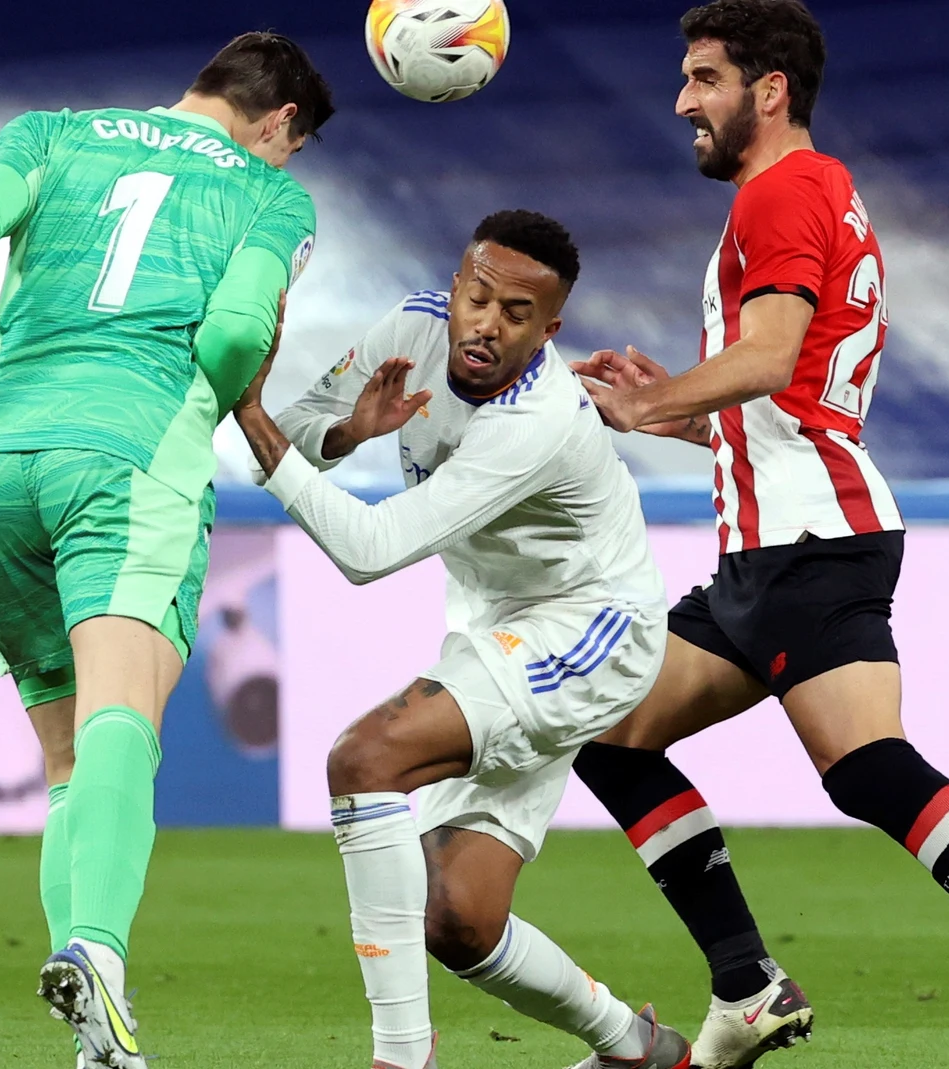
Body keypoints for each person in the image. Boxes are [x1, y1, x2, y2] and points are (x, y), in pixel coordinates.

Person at [569, 3, 949, 1068]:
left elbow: (776, 354)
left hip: (807, 539)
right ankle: (747, 984)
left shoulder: (783, 191)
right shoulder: (810, 193)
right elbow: (791, 403)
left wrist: (652, 409)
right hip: (783, 537)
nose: (683, 102)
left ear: (768, 91)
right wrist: (676, 407)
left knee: (865, 766)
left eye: (703, 79)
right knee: (611, 732)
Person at [0, 31, 334, 1068]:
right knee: (122, 717)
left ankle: (93, 1028)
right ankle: (100, 951)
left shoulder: (49, 133)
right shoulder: (272, 199)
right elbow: (227, 338)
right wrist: (209, 403)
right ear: (277, 125)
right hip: (127, 456)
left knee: (68, 762)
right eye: (291, 148)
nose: (285, 164)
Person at [232, 211, 691, 1069]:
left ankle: (401, 1058)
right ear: (454, 287)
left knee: (365, 758)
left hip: (592, 628)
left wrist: (248, 411)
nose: (486, 323)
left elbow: (368, 552)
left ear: (549, 330)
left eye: (516, 313)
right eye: (476, 297)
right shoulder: (412, 328)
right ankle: (638, 1049)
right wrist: (343, 433)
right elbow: (293, 439)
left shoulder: (541, 418)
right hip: (492, 625)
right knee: (460, 920)